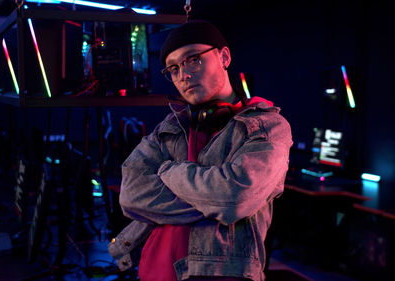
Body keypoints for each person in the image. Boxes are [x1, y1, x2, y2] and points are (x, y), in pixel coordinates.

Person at [108, 20, 292, 281]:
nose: (183, 74)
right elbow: (130, 195)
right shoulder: (170, 128)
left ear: (224, 57)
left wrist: (168, 171)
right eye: (173, 68)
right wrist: (209, 197)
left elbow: (233, 199)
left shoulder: (268, 127)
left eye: (192, 59)